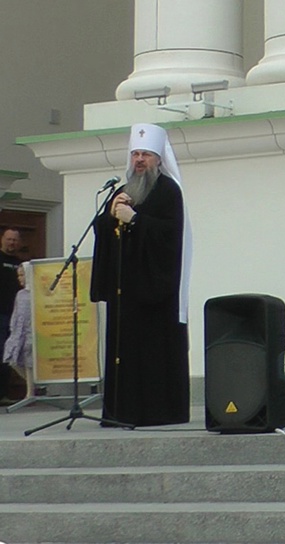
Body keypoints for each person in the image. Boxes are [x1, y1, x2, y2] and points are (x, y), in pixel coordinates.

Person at [89, 123, 192, 426]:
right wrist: (109, 218)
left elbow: (170, 236)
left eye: (146, 154)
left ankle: (155, 413)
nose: (139, 160)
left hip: (154, 293)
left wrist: (135, 220)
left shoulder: (168, 191)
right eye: (135, 153)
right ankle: (120, 412)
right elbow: (104, 232)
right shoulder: (123, 190)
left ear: (159, 159)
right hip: (126, 294)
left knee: (151, 357)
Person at [0, 227, 24, 402]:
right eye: (9, 239)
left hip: (15, 317)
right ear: (2, 240)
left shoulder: (21, 264)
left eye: (15, 240)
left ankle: (4, 393)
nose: (12, 243)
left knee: (10, 357)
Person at [3, 262, 34, 400]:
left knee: (29, 362)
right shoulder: (20, 294)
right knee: (12, 360)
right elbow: (16, 313)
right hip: (18, 332)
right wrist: (13, 328)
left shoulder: (36, 293)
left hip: (31, 332)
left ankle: (30, 392)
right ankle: (33, 384)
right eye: (18, 276)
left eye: (22, 275)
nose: (19, 278)